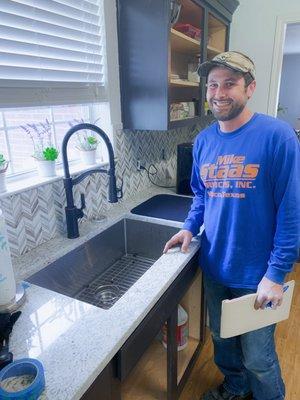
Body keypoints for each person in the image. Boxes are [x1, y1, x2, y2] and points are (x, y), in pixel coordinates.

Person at [163, 51, 300, 400]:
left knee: (259, 357)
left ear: (249, 88)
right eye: (212, 84)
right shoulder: (204, 141)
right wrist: (188, 228)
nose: (219, 92)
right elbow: (201, 196)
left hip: (259, 274)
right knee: (223, 341)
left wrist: (276, 272)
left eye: (229, 84)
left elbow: (291, 210)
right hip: (216, 266)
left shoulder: (278, 136)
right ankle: (235, 389)